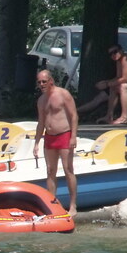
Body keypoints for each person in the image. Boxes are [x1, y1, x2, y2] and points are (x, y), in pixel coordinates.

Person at [34, 68, 78, 216]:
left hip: (64, 135)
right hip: (49, 137)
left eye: (44, 81)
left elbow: (73, 115)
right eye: (39, 82)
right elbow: (41, 123)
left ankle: (72, 205)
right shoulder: (41, 100)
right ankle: (52, 204)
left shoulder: (63, 94)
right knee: (50, 171)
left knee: (68, 169)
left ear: (51, 81)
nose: (41, 84)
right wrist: (36, 143)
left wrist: (73, 136)